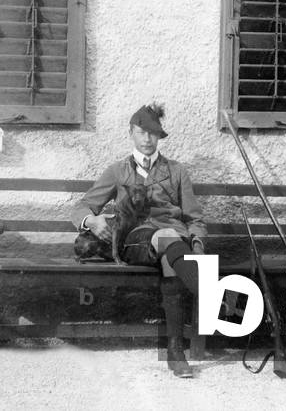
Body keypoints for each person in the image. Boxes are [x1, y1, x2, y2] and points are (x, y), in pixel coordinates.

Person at [71, 103, 207, 378]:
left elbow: (194, 218)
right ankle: (212, 294)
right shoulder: (117, 171)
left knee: (171, 255)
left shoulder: (177, 171)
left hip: (173, 242)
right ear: (131, 133)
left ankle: (175, 351)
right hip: (135, 240)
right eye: (142, 132)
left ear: (160, 136)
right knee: (168, 239)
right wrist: (92, 221)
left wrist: (198, 245)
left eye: (153, 133)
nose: (147, 139)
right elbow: (82, 207)